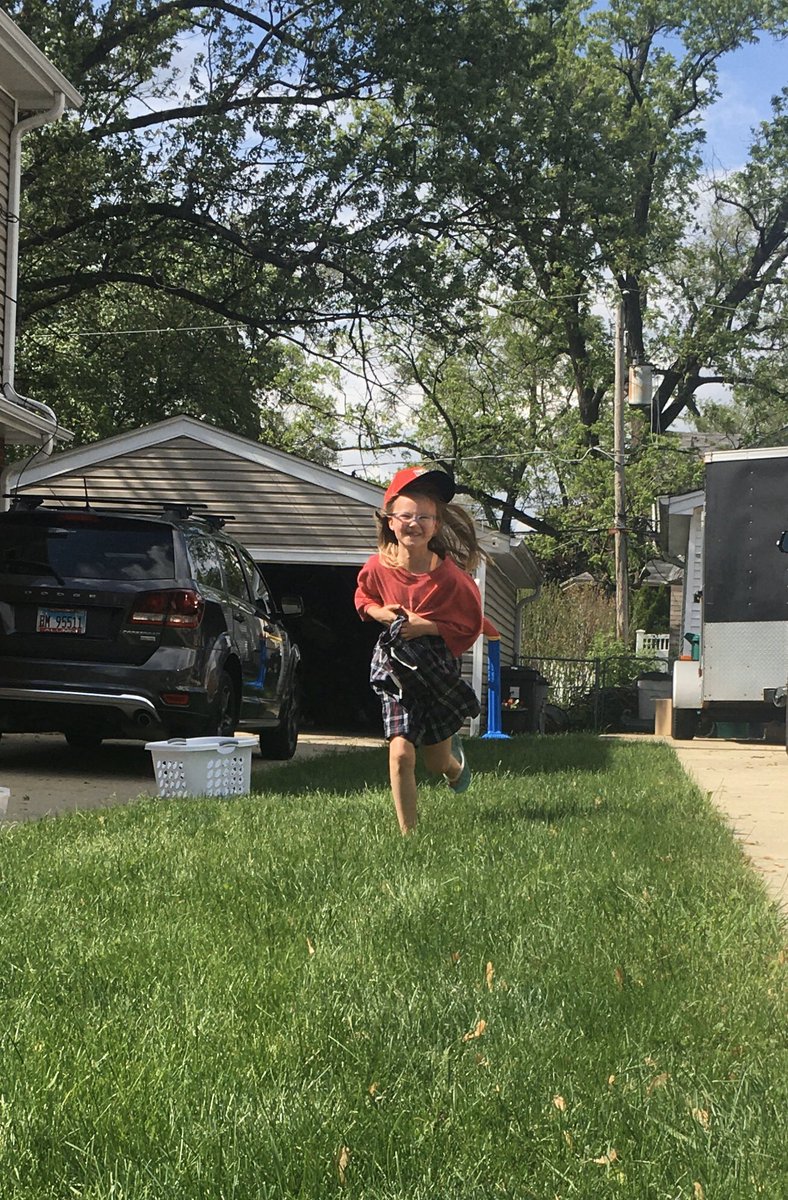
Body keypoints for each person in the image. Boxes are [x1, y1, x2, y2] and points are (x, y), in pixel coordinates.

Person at [354, 466, 486, 834]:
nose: (415, 523)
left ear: (436, 525)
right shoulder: (377, 567)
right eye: (406, 515)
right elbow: (364, 598)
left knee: (435, 762)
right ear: (390, 521)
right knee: (400, 753)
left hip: (436, 665)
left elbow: (469, 626)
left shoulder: (453, 580)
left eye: (424, 517)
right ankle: (409, 837)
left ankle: (454, 765)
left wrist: (426, 626)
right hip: (395, 663)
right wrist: (384, 613)